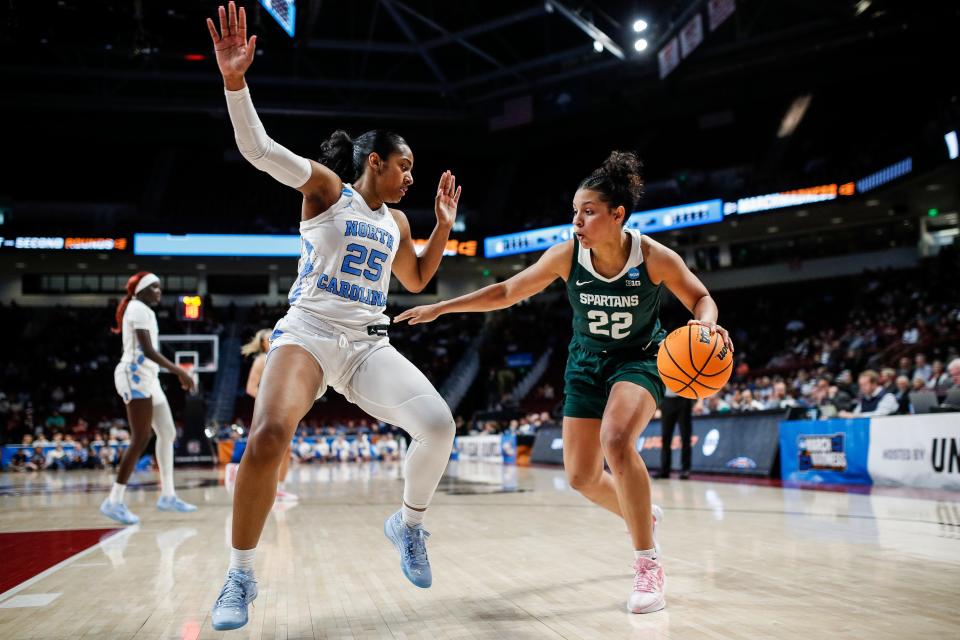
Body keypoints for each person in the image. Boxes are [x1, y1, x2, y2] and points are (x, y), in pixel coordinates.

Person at [205, 3, 461, 630]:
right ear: (374, 160)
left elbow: (417, 278)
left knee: (438, 426)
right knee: (267, 437)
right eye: (404, 166)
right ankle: (239, 575)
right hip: (310, 334)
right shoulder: (327, 190)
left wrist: (443, 230)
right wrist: (236, 82)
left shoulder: (397, 220)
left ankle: (408, 524)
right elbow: (257, 149)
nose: (409, 177)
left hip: (368, 344)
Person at [397, 150, 733, 614]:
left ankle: (648, 564)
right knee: (580, 477)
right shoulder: (566, 256)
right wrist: (441, 307)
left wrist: (708, 326)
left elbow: (701, 298)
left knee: (616, 440)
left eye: (588, 212)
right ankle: (641, 515)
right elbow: (507, 292)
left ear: (618, 215)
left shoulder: (652, 257)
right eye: (575, 211)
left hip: (639, 360)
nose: (577, 221)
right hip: (585, 366)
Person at [100, 271, 198, 526]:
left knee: (167, 433)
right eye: (154, 287)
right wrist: (180, 371)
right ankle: (113, 500)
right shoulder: (138, 308)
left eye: (159, 287)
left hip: (148, 378)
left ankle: (168, 496)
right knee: (141, 437)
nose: (159, 291)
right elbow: (147, 350)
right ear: (140, 290)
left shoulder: (142, 309)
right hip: (133, 375)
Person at [242, 328, 296, 501]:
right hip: (267, 409)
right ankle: (251, 482)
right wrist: (269, 401)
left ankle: (280, 488)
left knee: (286, 448)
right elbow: (250, 388)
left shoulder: (283, 357)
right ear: (263, 343)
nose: (273, 338)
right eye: (268, 337)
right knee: (267, 449)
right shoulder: (260, 360)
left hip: (283, 407)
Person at [657, 389, 693, 480]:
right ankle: (664, 470)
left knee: (685, 436)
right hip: (667, 399)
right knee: (666, 437)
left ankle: (685, 469)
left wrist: (700, 400)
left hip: (684, 397)